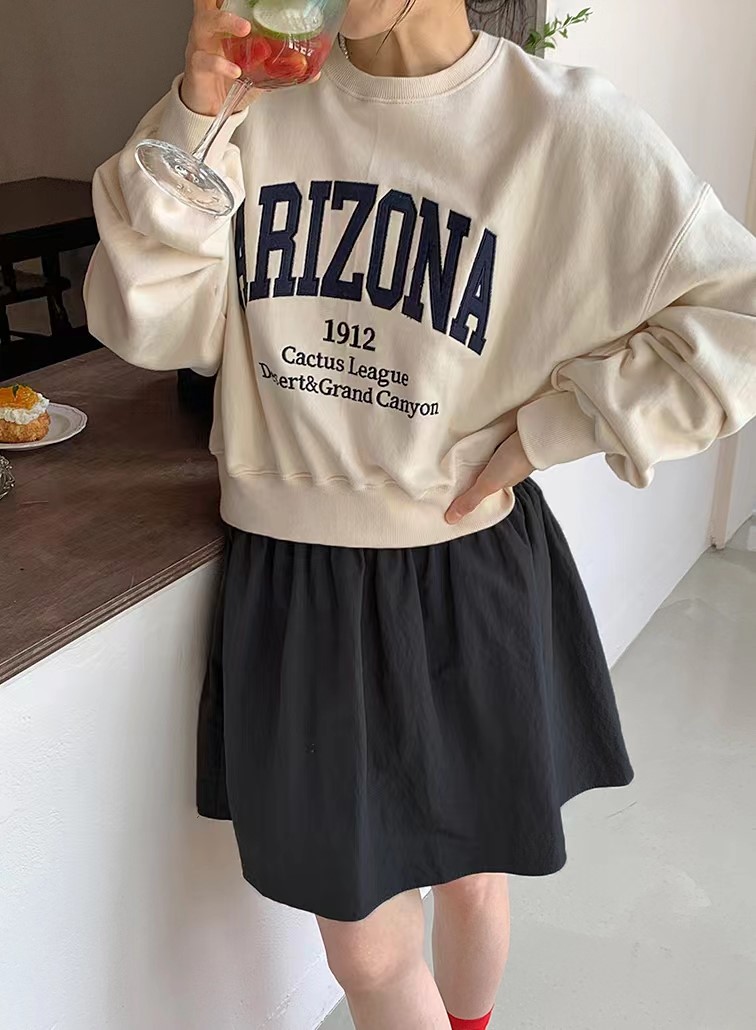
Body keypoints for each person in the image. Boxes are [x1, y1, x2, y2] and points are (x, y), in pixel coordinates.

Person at [83, 0, 756, 1025]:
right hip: (297, 578)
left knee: (473, 873)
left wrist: (556, 427)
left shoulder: (556, 123)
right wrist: (197, 115)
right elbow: (147, 322)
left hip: (466, 560)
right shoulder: (255, 103)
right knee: (366, 946)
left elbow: (738, 312)